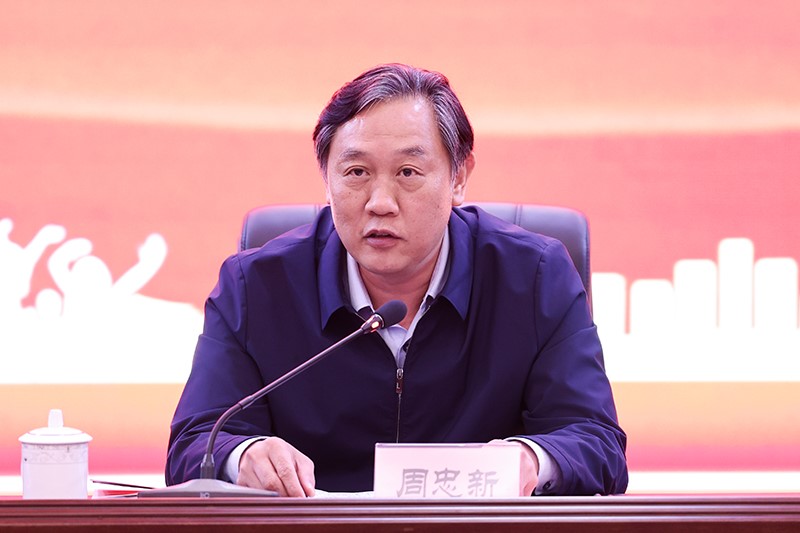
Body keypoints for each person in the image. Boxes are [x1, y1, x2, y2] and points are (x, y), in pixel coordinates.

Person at [166, 63, 628, 497]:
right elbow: (194, 444)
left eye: (408, 172)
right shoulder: (256, 287)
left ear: (459, 177)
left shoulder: (535, 278)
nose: (380, 202)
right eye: (356, 172)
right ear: (326, 180)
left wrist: (529, 459)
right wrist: (242, 456)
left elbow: (597, 442)